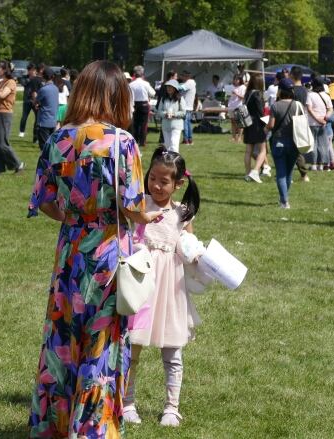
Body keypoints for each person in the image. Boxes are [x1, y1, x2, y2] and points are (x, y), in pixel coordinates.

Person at [27, 60, 159, 439]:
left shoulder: (57, 139)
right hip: (105, 253)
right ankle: (91, 429)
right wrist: (145, 218)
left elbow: (45, 202)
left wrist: (76, 214)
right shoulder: (122, 142)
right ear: (116, 95)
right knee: (100, 340)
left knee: (63, 335)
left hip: (70, 250)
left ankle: (54, 425)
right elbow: (132, 204)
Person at [123, 146, 202, 428]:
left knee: (173, 349)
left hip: (171, 291)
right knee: (132, 347)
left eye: (164, 181)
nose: (156, 185)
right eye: (152, 177)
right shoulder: (138, 206)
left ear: (178, 184)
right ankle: (127, 402)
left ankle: (172, 407)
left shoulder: (182, 214)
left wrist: (197, 256)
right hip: (140, 288)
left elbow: (189, 248)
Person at [265, 78, 300, 209]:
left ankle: (284, 201)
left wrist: (265, 129)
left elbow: (271, 125)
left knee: (280, 172)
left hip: (279, 141)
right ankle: (284, 198)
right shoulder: (298, 105)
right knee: (289, 172)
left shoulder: (275, 106)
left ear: (280, 90)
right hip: (295, 142)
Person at [242, 74, 268, 183]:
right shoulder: (257, 94)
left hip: (247, 124)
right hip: (257, 125)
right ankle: (255, 171)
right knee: (263, 150)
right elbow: (261, 112)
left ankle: (247, 173)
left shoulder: (247, 93)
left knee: (248, 151)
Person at [290, 66, 310, 181]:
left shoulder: (291, 89)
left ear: (292, 75)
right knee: (297, 148)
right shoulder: (304, 90)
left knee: (293, 149)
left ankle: (301, 174)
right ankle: (303, 174)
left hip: (292, 119)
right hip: (301, 120)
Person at [128, 65, 155, 148]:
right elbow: (153, 93)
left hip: (134, 105)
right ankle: (142, 142)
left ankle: (135, 140)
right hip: (144, 104)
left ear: (134, 74)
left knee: (135, 124)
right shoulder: (146, 83)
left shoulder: (131, 84)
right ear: (142, 73)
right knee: (143, 124)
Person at [158, 79, 185, 153]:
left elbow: (183, 112)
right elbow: (159, 111)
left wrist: (174, 114)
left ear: (175, 88)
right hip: (165, 126)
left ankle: (175, 162)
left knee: (174, 144)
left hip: (176, 125)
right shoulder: (163, 99)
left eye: (171, 87)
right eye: (168, 87)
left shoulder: (180, 98)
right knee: (167, 146)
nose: (169, 88)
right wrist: (165, 114)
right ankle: (168, 162)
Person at [34, 67, 58, 148]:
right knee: (51, 145)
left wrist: (37, 103)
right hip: (53, 120)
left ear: (43, 77)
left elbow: (36, 101)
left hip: (44, 121)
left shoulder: (43, 89)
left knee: (44, 147)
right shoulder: (56, 88)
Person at [19, 63, 40, 141]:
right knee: (24, 116)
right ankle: (22, 131)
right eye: (33, 70)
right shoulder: (25, 78)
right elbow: (23, 83)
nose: (34, 72)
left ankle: (35, 135)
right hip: (27, 100)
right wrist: (31, 78)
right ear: (29, 71)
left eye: (35, 70)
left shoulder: (37, 78)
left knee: (37, 118)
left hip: (35, 100)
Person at [227, 75, 246, 143]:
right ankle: (233, 137)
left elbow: (243, 97)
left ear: (240, 80)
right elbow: (229, 96)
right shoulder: (232, 87)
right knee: (232, 122)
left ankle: (239, 137)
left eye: (237, 79)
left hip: (238, 106)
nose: (235, 81)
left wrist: (236, 93)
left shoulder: (243, 87)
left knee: (240, 123)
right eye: (235, 79)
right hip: (231, 106)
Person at [179, 71, 196, 145]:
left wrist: (173, 84)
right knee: (188, 123)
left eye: (182, 76)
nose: (181, 77)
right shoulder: (191, 83)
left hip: (186, 106)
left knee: (184, 124)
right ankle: (189, 139)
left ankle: (186, 140)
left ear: (186, 76)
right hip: (188, 106)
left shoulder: (189, 82)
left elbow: (180, 88)